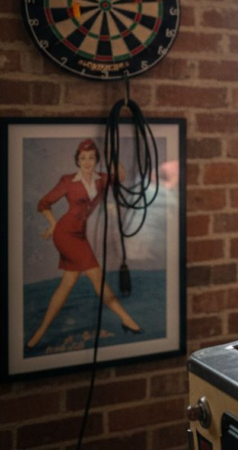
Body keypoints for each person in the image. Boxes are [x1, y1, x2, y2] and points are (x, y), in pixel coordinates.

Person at [26, 139, 143, 351]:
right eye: (83, 158)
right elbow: (43, 204)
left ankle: (39, 333)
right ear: (77, 160)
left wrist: (112, 155)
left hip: (80, 235)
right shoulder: (68, 180)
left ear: (96, 160)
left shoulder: (101, 180)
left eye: (91, 158)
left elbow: (122, 177)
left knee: (67, 284)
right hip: (66, 234)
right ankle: (127, 320)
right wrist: (53, 225)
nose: (87, 162)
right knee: (97, 278)